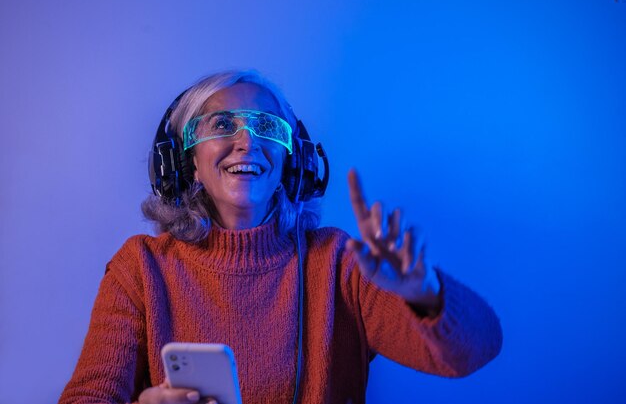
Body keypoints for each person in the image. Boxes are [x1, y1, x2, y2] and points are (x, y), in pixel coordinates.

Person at [59, 70, 502, 404]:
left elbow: (472, 352)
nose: (247, 141)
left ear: (293, 165)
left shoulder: (340, 263)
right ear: (186, 161)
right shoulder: (139, 268)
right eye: (222, 125)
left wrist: (425, 294)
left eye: (267, 127)